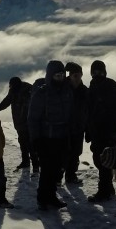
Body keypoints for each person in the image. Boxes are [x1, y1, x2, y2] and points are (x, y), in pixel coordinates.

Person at [27, 60, 75, 211]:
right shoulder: (42, 93)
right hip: (46, 138)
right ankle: (43, 198)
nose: (60, 78)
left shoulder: (67, 91)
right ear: (50, 76)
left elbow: (71, 113)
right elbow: (32, 118)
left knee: (57, 169)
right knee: (47, 169)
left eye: (62, 75)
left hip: (62, 136)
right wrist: (36, 140)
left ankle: (52, 196)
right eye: (57, 75)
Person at [84, 59, 116, 203]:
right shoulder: (96, 86)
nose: (97, 74)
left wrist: (107, 132)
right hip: (101, 132)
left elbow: (113, 113)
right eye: (94, 72)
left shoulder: (108, 88)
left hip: (105, 133)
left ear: (104, 72)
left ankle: (104, 192)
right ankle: (108, 189)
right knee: (102, 161)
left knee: (102, 161)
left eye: (99, 71)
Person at [0, 76, 38, 172]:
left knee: (30, 144)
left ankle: (36, 166)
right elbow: (5, 103)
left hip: (29, 122)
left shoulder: (28, 90)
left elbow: (34, 105)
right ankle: (26, 162)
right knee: (22, 142)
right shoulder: (14, 90)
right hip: (19, 123)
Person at [63, 61, 88, 185]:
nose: (77, 78)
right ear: (70, 75)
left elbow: (88, 110)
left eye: (79, 75)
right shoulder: (62, 89)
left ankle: (70, 176)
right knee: (63, 153)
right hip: (64, 128)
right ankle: (58, 177)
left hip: (78, 128)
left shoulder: (85, 91)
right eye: (75, 76)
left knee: (76, 153)